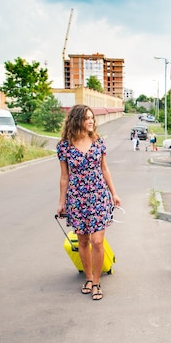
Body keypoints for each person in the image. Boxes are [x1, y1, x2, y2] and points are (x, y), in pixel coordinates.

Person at [56, 104, 121, 301]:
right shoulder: (64, 146)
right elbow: (64, 177)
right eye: (87, 118)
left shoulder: (98, 142)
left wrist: (114, 194)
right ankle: (89, 278)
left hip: (99, 196)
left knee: (97, 241)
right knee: (83, 241)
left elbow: (105, 169)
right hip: (77, 198)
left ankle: (97, 282)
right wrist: (61, 202)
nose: (91, 121)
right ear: (77, 121)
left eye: (92, 117)